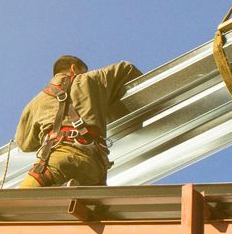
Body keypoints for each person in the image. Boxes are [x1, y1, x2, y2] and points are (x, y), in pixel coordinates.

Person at [14, 55, 142, 188]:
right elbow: (127, 68)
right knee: (91, 207)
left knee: (17, 203)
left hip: (57, 161)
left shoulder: (35, 103)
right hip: (94, 166)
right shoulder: (92, 79)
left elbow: (24, 144)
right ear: (73, 68)